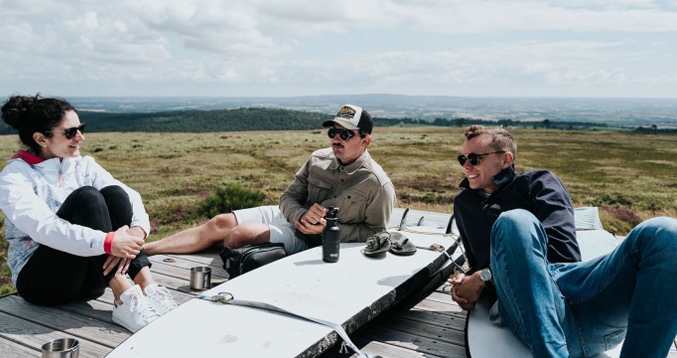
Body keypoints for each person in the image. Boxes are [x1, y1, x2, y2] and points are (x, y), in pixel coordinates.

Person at [449, 125, 677, 358]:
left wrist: (485, 277)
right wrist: (468, 283)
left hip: (582, 299)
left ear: (506, 159)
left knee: (667, 232)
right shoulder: (464, 204)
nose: (467, 166)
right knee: (514, 221)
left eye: (475, 159)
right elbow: (482, 264)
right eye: (463, 159)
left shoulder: (537, 183)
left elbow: (562, 255)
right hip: (525, 315)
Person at [0, 94, 177, 333]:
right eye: (70, 132)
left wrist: (137, 230)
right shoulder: (15, 176)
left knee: (115, 193)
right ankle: (125, 296)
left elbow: (130, 196)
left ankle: (146, 286)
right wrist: (107, 241)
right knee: (87, 197)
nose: (80, 137)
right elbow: (44, 227)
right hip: (43, 284)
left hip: (94, 278)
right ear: (41, 138)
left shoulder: (83, 165)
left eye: (80, 129)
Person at [145, 104, 396, 256]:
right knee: (220, 222)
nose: (335, 138)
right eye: (333, 131)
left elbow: (376, 232)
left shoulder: (377, 184)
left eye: (345, 133)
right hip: (291, 219)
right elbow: (288, 197)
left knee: (239, 235)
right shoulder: (317, 158)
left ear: (365, 140)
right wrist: (298, 215)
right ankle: (144, 250)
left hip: (313, 241)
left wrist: (327, 229)